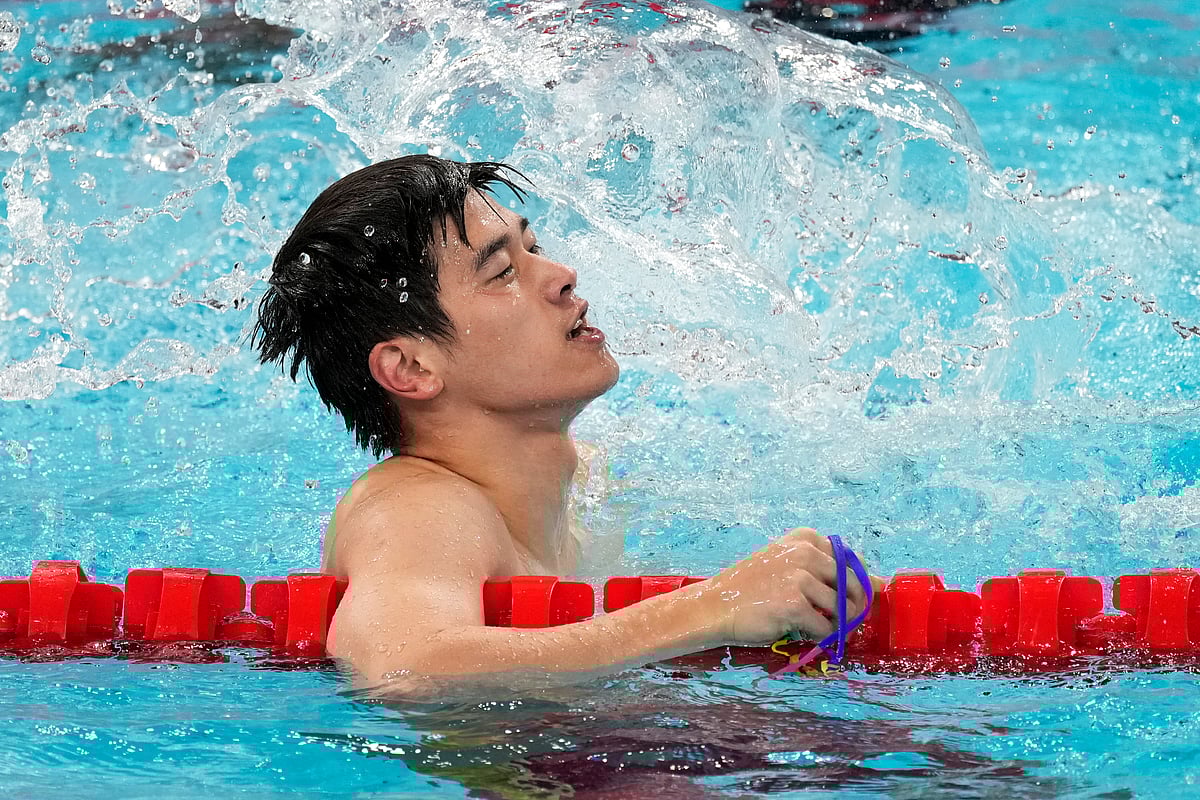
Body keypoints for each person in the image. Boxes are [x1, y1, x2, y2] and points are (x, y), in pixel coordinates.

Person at [252, 154, 881, 693]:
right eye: (503, 273)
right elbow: (401, 666)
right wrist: (717, 605)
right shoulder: (419, 507)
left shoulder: (588, 479)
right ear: (411, 367)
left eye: (534, 249)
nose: (560, 276)